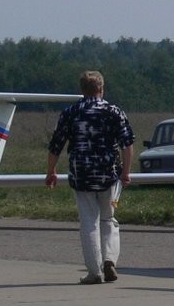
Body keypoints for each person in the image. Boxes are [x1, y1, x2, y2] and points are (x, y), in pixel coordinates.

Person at [44, 71, 134, 285]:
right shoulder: (114, 112)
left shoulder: (71, 112)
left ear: (82, 90)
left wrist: (51, 171)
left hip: (81, 174)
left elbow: (56, 145)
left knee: (88, 222)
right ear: (102, 89)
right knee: (109, 218)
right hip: (109, 175)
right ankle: (110, 259)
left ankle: (94, 271)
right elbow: (127, 145)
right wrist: (126, 172)